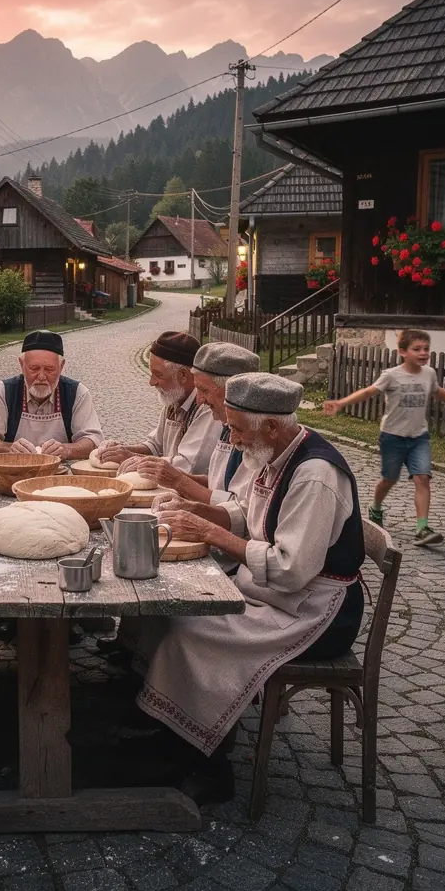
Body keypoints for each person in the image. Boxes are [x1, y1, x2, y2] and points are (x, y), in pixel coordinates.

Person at [136, 373, 366, 801]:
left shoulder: (315, 475)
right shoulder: (272, 452)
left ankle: (210, 765)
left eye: (238, 428)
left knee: (193, 631)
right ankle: (172, 734)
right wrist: (197, 509)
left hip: (315, 610)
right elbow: (245, 512)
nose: (232, 436)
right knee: (173, 607)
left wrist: (212, 532)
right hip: (273, 592)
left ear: (273, 426)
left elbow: (292, 568)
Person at [322, 328, 445, 546]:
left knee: (422, 478)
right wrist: (342, 403)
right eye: (417, 349)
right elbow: (368, 392)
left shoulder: (428, 373)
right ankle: (375, 507)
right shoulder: (392, 375)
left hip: (419, 437)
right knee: (389, 479)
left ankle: (422, 528)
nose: (423, 353)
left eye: (426, 349)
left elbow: (439, 392)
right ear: (402, 351)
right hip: (392, 437)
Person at [131, 341, 261, 511]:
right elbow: (217, 484)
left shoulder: (257, 439)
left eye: (204, 390)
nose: (199, 399)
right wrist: (177, 481)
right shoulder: (227, 425)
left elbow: (242, 512)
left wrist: (180, 482)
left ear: (235, 393)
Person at [93, 331, 217, 476]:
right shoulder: (174, 399)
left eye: (158, 375)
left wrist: (130, 457)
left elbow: (187, 465)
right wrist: (121, 450)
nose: (151, 382)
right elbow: (154, 447)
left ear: (182, 375)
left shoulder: (207, 408)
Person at [0, 330, 103, 459]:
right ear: (22, 365)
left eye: (49, 369)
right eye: (34, 368)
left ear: (61, 366)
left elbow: (93, 439)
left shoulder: (77, 393)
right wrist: (9, 449)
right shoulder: (2, 391)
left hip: (61, 476)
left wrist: (67, 450)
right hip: (14, 472)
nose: (41, 376)